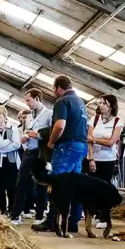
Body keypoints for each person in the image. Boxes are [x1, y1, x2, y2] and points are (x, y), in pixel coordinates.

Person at [33, 76, 89, 233]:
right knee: (74, 185)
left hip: (66, 146)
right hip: (80, 146)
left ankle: (53, 220)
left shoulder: (63, 102)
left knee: (57, 183)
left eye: (54, 89)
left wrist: (50, 143)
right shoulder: (80, 103)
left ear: (58, 87)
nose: (54, 92)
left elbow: (59, 125)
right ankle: (72, 222)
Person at [10, 89, 52, 225]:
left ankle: (39, 216)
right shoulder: (29, 116)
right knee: (21, 182)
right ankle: (15, 215)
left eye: (28, 100)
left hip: (41, 152)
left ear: (37, 99)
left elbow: (52, 132)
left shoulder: (49, 114)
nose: (27, 103)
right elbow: (28, 131)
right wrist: (26, 136)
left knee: (41, 184)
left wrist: (37, 134)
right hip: (28, 151)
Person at [87, 94, 123, 183]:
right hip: (94, 158)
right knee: (91, 185)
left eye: (104, 103)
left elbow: (111, 142)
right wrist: (91, 159)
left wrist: (94, 139)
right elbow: (88, 139)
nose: (101, 105)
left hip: (108, 159)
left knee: (104, 185)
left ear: (111, 106)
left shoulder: (117, 121)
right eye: (100, 103)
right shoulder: (94, 119)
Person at [16, 109, 36, 217]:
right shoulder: (17, 129)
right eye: (22, 118)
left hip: (31, 155)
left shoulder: (33, 130)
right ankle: (22, 209)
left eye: (25, 117)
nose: (23, 120)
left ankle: (29, 207)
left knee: (32, 184)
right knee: (21, 183)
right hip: (21, 155)